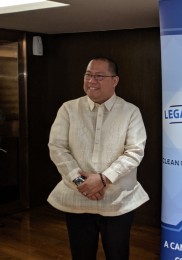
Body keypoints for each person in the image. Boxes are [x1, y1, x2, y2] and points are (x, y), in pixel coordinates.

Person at [47, 57, 149, 260]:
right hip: (77, 197)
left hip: (118, 200)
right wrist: (80, 181)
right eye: (88, 74)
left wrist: (103, 179)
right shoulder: (68, 109)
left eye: (99, 76)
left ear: (115, 80)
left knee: (118, 254)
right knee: (81, 254)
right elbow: (57, 147)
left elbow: (134, 152)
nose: (91, 80)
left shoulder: (130, 112)